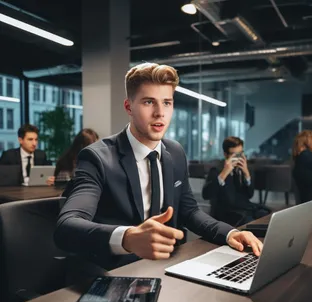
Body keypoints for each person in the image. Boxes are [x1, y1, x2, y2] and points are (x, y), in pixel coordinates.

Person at [54, 62, 262, 270]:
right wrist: (127, 238)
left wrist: (230, 233)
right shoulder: (97, 157)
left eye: (167, 103)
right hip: (117, 270)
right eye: (148, 102)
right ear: (129, 107)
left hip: (169, 265)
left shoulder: (176, 152)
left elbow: (189, 211)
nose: (160, 113)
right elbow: (67, 226)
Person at [202, 137, 270, 226]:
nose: (238, 158)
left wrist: (247, 175)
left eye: (240, 154)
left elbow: (250, 195)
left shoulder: (246, 168)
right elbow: (206, 195)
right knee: (250, 221)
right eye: (234, 155)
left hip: (244, 209)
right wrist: (224, 174)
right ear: (226, 155)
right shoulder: (217, 170)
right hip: (225, 212)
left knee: (267, 216)